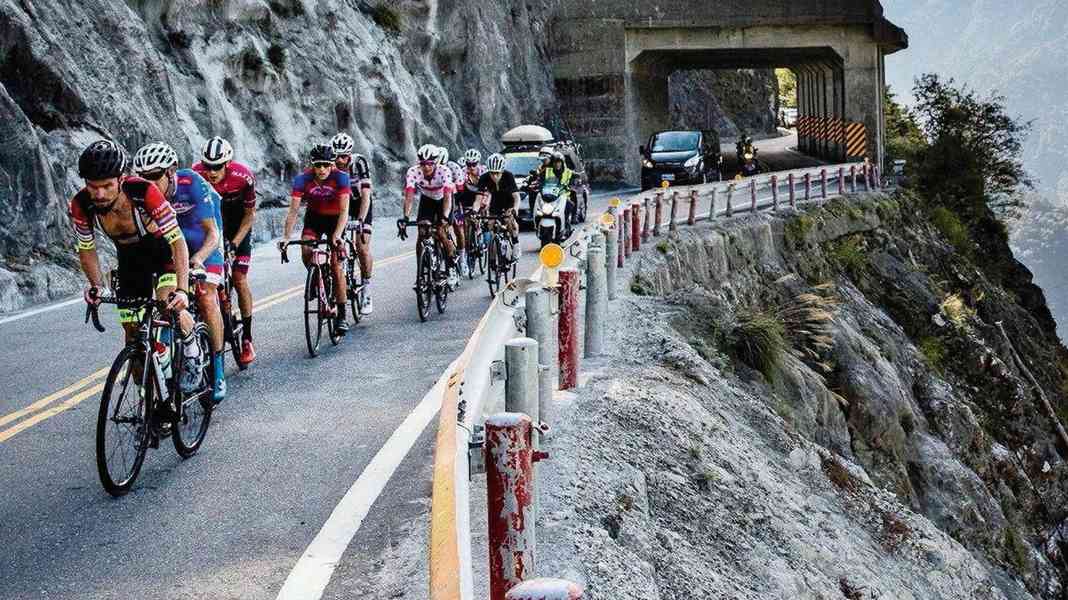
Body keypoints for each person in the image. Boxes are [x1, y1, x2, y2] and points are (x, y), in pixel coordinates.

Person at [71, 140, 201, 395]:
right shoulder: (81, 204)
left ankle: (191, 345)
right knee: (133, 333)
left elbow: (177, 242)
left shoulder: (144, 192)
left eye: (107, 186)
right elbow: (87, 249)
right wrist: (98, 287)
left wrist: (183, 291)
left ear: (121, 179)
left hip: (163, 253)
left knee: (167, 305)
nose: (99, 194)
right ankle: (152, 396)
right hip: (130, 260)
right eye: (92, 186)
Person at [133, 142, 227, 403]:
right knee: (165, 301)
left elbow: (212, 234)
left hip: (202, 245)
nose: (148, 183)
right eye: (143, 177)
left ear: (171, 172)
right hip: (172, 250)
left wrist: (198, 259)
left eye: (154, 177)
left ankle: (218, 369)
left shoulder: (191, 182)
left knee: (208, 297)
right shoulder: (142, 195)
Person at [193, 137, 258, 367]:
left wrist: (235, 242)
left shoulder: (243, 176)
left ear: (227, 164)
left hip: (237, 224)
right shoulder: (195, 174)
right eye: (207, 166)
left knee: (239, 279)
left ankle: (247, 338)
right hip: (212, 225)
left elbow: (250, 215)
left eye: (217, 167)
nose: (211, 172)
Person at [279, 144, 352, 334]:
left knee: (336, 265)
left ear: (332, 165)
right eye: (318, 165)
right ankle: (316, 275)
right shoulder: (303, 179)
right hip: (315, 217)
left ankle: (342, 315)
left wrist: (337, 235)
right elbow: (294, 210)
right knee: (306, 249)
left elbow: (345, 210)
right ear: (312, 165)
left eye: (326, 165)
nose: (322, 170)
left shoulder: (341, 177)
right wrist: (286, 237)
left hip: (336, 219)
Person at [399, 144, 458, 287]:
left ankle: (451, 269)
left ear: (436, 162)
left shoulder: (444, 171)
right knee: (422, 233)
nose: (426, 167)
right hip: (428, 200)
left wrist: (444, 217)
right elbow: (409, 196)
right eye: (423, 164)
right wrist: (405, 217)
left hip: (443, 200)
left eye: (430, 164)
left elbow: (448, 197)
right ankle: (421, 273)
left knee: (441, 232)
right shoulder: (413, 172)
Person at [331, 132, 375, 315]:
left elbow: (366, 195)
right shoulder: (330, 166)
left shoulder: (358, 162)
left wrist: (361, 220)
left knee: (361, 246)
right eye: (337, 156)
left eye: (344, 156)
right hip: (341, 203)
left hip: (359, 203)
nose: (341, 160)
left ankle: (367, 289)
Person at [477, 153, 521, 256]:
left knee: (509, 221)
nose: (495, 176)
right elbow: (478, 199)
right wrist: (475, 211)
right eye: (492, 173)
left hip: (508, 202)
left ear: (502, 171)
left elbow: (516, 197)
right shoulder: (484, 178)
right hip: (495, 203)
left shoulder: (508, 176)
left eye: (497, 173)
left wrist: (515, 208)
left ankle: (516, 245)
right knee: (490, 224)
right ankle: (492, 258)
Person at [437, 147, 469, 277]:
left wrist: (459, 209)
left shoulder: (454, 168)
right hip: (438, 198)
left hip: (455, 198)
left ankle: (462, 258)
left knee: (458, 228)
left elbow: (461, 191)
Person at [541, 150, 576, 225]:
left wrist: (574, 182)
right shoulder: (546, 170)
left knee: (570, 204)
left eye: (559, 162)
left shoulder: (568, 172)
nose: (557, 164)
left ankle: (566, 221)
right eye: (555, 162)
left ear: (562, 163)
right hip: (549, 195)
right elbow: (540, 179)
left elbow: (574, 178)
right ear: (552, 163)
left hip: (563, 195)